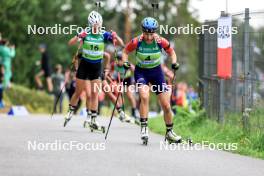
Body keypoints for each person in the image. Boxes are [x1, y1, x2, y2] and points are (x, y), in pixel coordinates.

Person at [122, 17, 182, 143]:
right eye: (146, 34)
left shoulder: (160, 41)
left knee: (166, 105)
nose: (149, 37)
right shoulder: (137, 41)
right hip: (141, 72)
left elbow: (172, 52)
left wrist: (175, 62)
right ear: (142, 31)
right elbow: (125, 51)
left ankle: (169, 132)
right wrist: (125, 62)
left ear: (154, 32)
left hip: (156, 73)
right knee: (144, 96)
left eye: (151, 34)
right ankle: (144, 127)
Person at [64, 10, 124, 128]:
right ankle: (70, 111)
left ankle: (93, 119)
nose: (96, 28)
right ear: (90, 25)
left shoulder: (104, 34)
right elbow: (70, 43)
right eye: (94, 26)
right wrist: (79, 36)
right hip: (84, 65)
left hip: (96, 67)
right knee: (78, 92)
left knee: (94, 93)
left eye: (98, 25)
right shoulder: (85, 33)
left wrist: (116, 36)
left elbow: (121, 44)